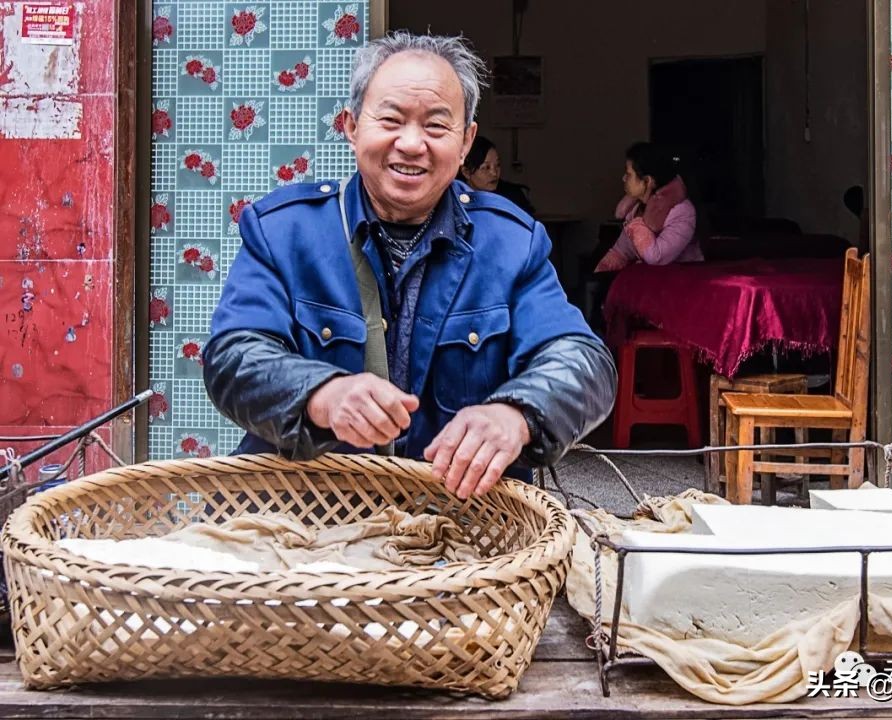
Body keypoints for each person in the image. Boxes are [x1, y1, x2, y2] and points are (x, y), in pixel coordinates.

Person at [203, 32, 616, 500]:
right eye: (391, 119)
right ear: (352, 126)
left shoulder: (511, 242)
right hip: (301, 517)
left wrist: (516, 415)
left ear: (465, 143)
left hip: (461, 521)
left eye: (437, 126)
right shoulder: (283, 231)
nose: (412, 143)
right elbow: (234, 356)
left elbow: (583, 362)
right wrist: (322, 395)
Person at [594, 142, 702, 273]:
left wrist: (636, 226)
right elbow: (621, 251)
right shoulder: (636, 209)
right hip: (650, 285)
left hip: (680, 285)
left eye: (628, 174)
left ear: (647, 181)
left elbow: (657, 257)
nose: (623, 179)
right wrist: (603, 270)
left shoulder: (682, 212)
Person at [458, 135, 535, 215]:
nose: (494, 173)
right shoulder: (455, 199)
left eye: (497, 165)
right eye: (486, 167)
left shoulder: (513, 196)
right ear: (466, 172)